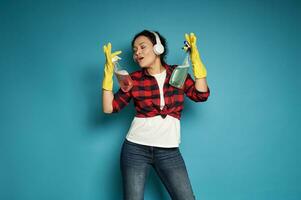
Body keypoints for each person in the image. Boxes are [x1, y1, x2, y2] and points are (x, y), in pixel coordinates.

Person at [102, 30, 210, 200]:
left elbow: (201, 95)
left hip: (169, 151)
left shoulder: (178, 73)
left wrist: (196, 62)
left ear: (158, 48)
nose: (137, 53)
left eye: (142, 47)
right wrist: (108, 77)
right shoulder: (133, 79)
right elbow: (110, 107)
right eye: (134, 50)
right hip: (135, 149)